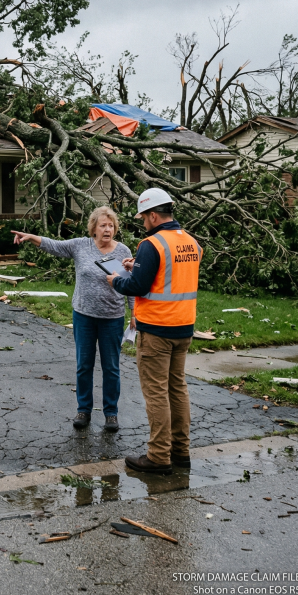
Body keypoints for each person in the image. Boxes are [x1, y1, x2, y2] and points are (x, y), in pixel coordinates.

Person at [13, 206, 135, 432]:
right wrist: (31, 238)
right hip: (84, 317)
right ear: (94, 228)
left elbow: (130, 285)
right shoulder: (81, 246)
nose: (107, 230)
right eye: (103, 225)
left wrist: (134, 314)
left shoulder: (122, 251)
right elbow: (54, 246)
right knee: (84, 366)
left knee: (111, 368)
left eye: (111, 226)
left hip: (112, 318)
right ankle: (83, 410)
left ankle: (111, 414)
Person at [107, 187, 202, 475]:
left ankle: (159, 456)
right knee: (177, 389)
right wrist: (139, 266)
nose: (142, 223)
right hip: (183, 328)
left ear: (152, 215)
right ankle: (180, 452)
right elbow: (170, 274)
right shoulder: (191, 242)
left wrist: (115, 280)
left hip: (157, 330)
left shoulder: (152, 243)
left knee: (157, 393)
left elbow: (138, 287)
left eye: (143, 217)